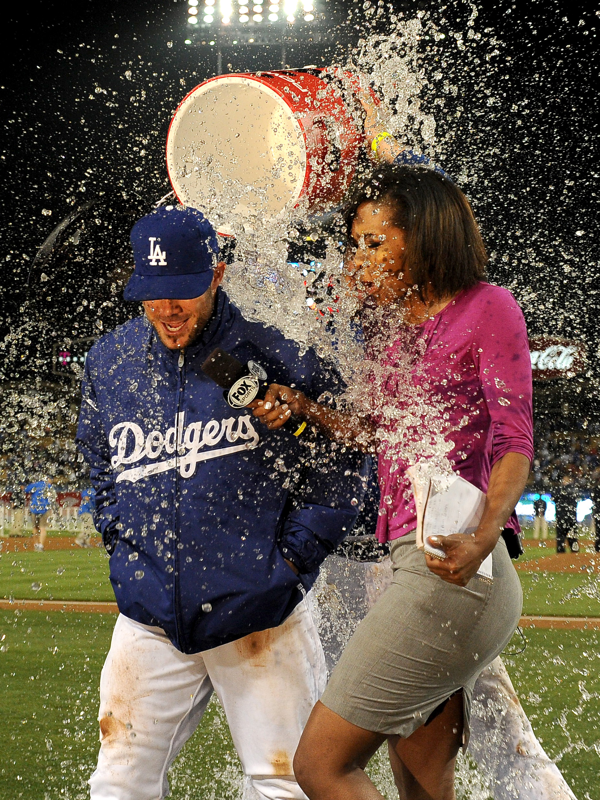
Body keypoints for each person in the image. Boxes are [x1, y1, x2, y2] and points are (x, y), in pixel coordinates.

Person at [253, 163, 534, 799]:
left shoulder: (488, 307)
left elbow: (515, 441)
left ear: (427, 237)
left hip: (453, 570)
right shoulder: (389, 333)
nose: (360, 258)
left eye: (375, 243)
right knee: (423, 787)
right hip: (418, 567)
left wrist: (486, 535)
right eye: (355, 244)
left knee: (320, 765)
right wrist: (300, 407)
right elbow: (378, 431)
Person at [75, 205, 367, 800]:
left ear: (217, 275)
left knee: (283, 783)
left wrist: (287, 563)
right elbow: (99, 468)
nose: (166, 309)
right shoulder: (111, 361)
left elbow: (348, 462)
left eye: (181, 292)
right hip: (151, 614)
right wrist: (125, 553)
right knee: (116, 783)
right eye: (152, 295)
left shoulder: (278, 344)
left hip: (259, 609)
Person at [25, 477, 53, 551]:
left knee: (35, 528)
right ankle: (41, 545)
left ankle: (36, 544)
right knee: (42, 528)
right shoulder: (48, 486)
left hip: (34, 508)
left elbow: (26, 490)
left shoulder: (35, 484)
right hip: (43, 509)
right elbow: (52, 496)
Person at [553, 474, 579, 554]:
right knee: (570, 536)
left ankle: (563, 551)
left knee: (563, 536)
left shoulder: (560, 490)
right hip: (569, 517)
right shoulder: (573, 489)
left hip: (564, 517)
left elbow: (554, 498)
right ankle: (572, 551)